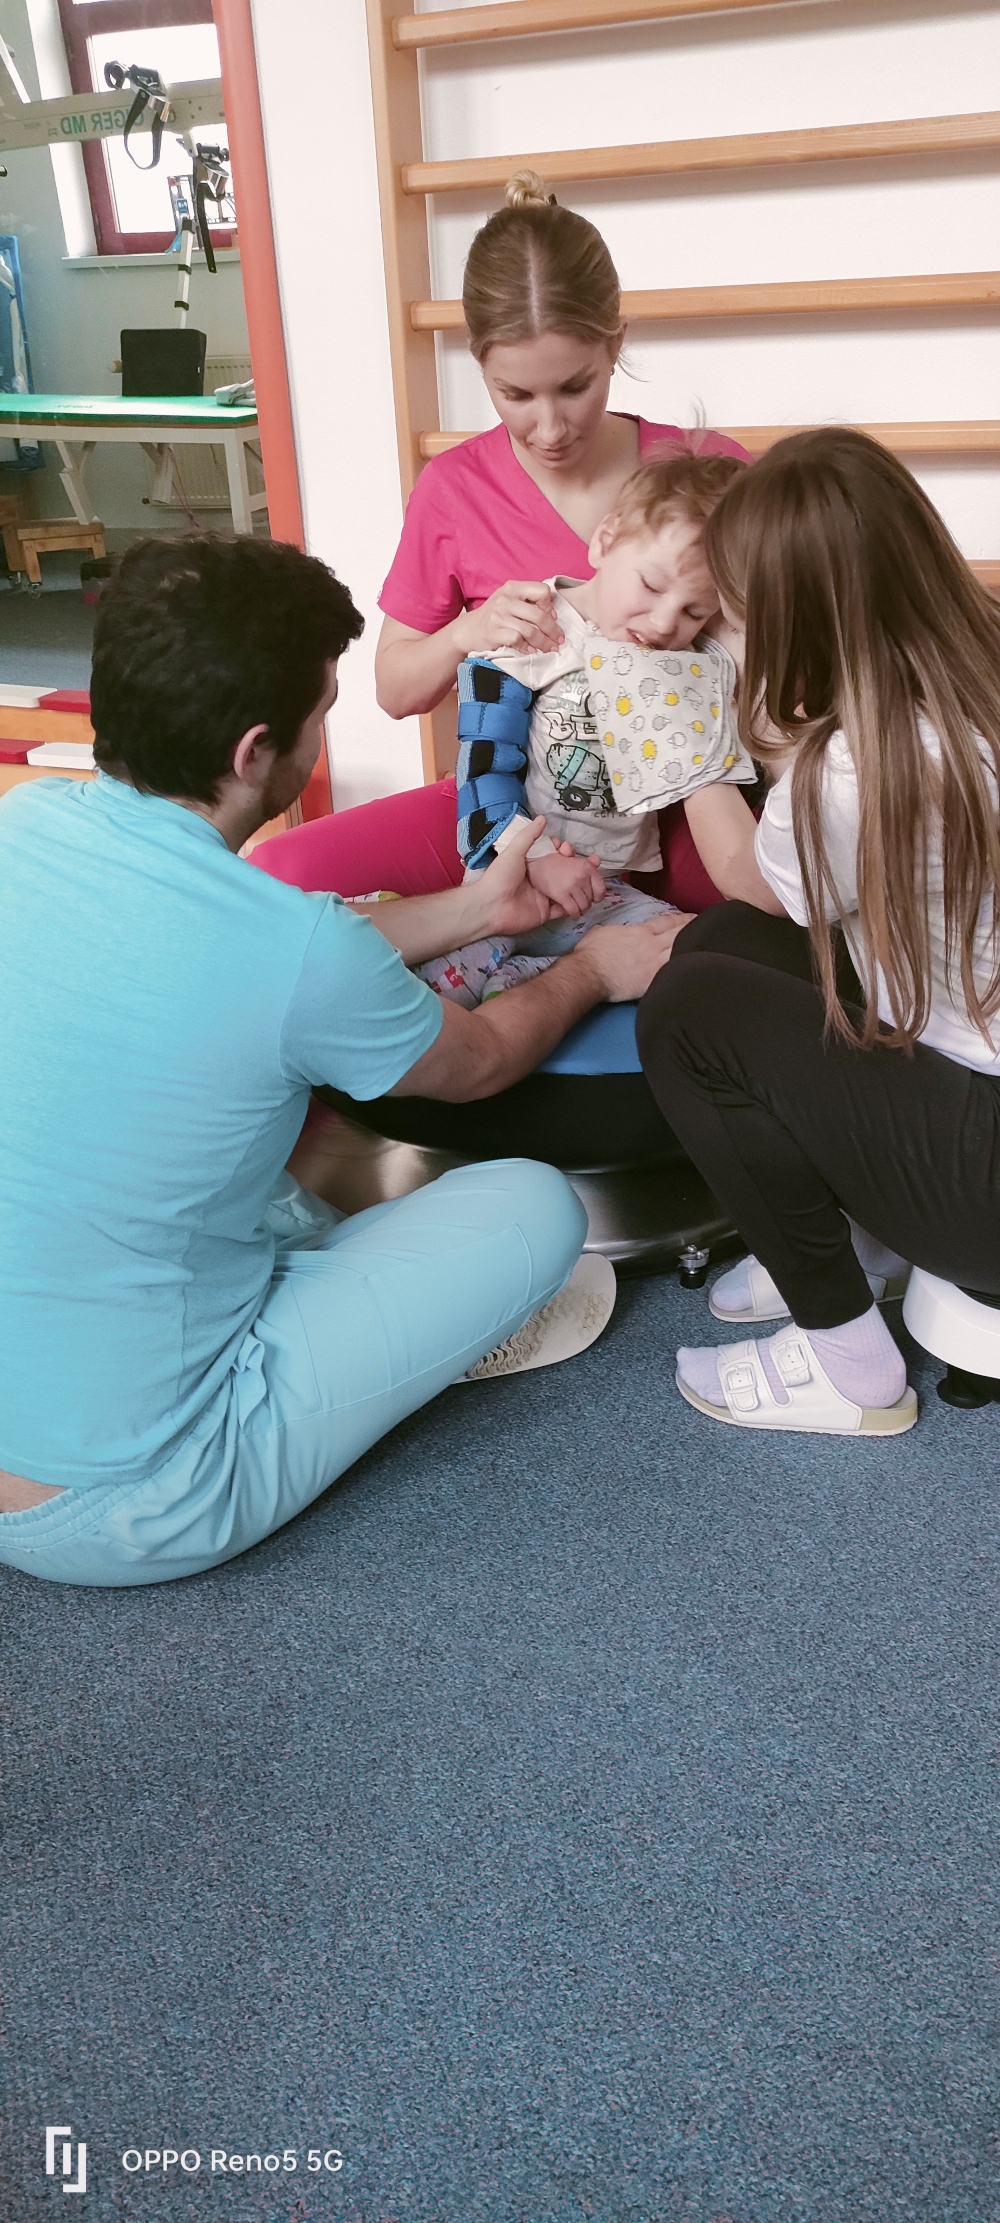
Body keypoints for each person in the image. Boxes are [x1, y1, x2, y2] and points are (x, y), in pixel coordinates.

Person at [0, 536, 685, 1586]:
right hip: (136, 1501)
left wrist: (476, 909)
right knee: (533, 1211)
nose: (324, 730)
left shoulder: (27, 822)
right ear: (255, 753)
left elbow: (267, 949)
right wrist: (596, 968)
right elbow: (479, 1059)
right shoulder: (295, 950)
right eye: (322, 711)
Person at [635, 426, 1000, 1436]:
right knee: (717, 947)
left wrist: (687, 740)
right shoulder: (975, 672)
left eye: (732, 616)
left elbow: (755, 880)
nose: (724, 634)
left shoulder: (848, 769)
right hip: (974, 1096)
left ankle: (846, 1363)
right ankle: (866, 1243)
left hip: (985, 1174)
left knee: (686, 1010)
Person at [375, 171, 748, 727]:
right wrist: (468, 632)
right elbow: (394, 691)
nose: (550, 431)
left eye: (575, 388)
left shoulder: (713, 474)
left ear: (615, 345)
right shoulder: (454, 490)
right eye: (516, 395)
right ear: (479, 362)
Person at [412, 449, 754, 1009]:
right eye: (651, 585)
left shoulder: (685, 658)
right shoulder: (533, 629)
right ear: (605, 540)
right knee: (440, 983)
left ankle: (542, 975)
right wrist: (537, 857)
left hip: (607, 892)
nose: (664, 623)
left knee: (705, 949)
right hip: (511, 881)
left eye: (695, 612)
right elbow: (482, 773)